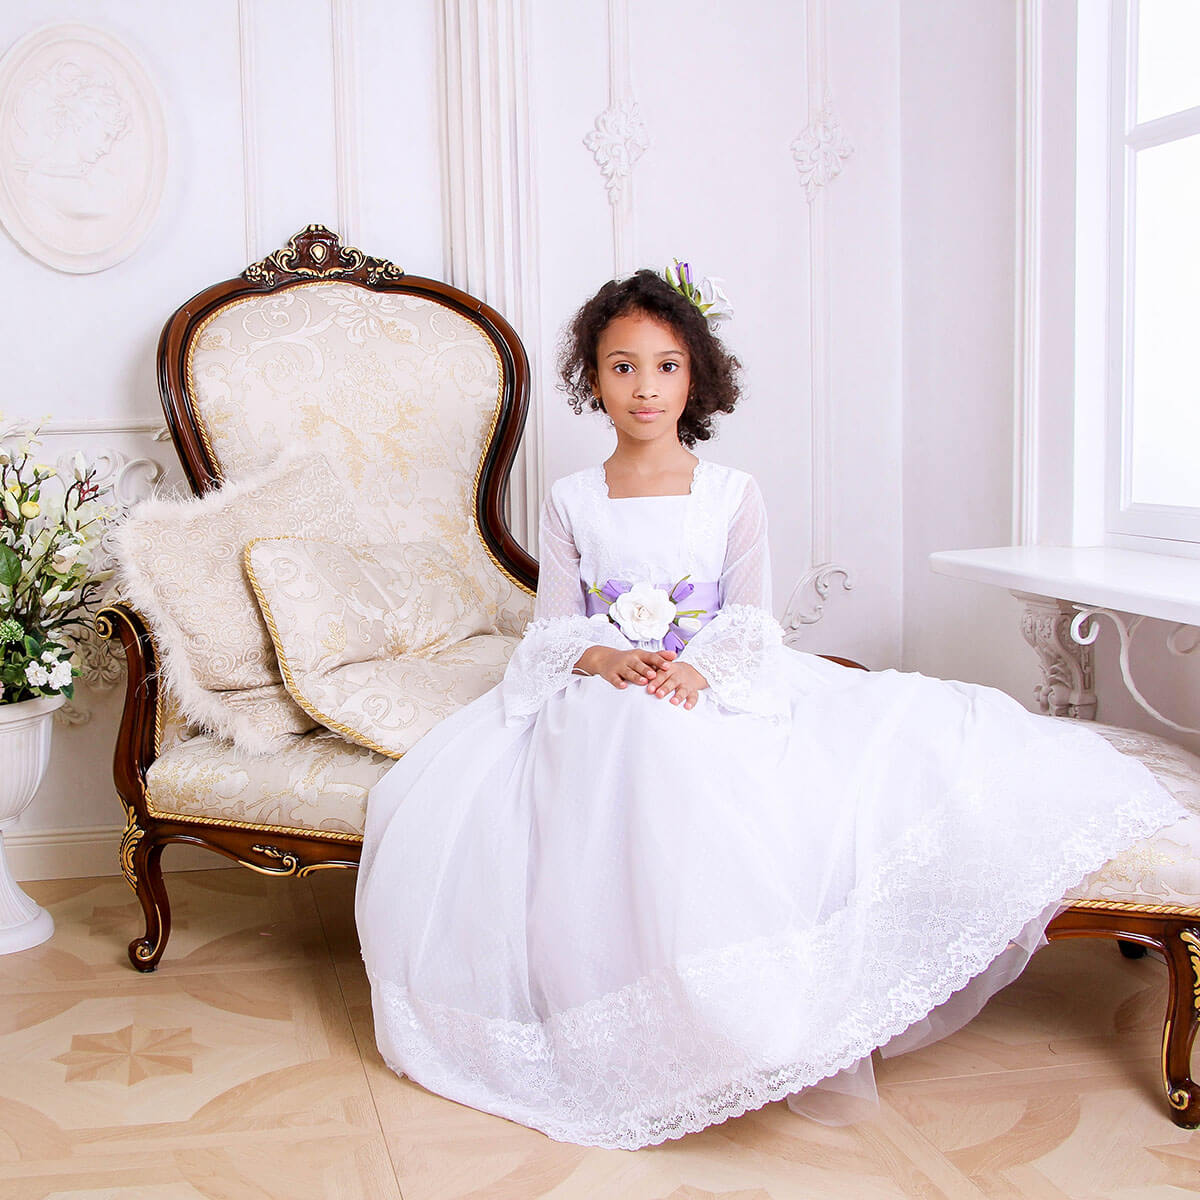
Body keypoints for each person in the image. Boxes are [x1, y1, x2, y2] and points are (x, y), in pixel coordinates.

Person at [356, 266, 1183, 1151]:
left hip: (711, 679)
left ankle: (753, 1008)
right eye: (623, 367)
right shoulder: (572, 499)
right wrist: (605, 657)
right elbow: (556, 628)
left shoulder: (730, 492)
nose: (645, 387)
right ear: (592, 378)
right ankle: (655, 1004)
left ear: (696, 377)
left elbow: (750, 621)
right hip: (608, 691)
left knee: (755, 739)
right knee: (634, 735)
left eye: (666, 366)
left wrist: (698, 672)